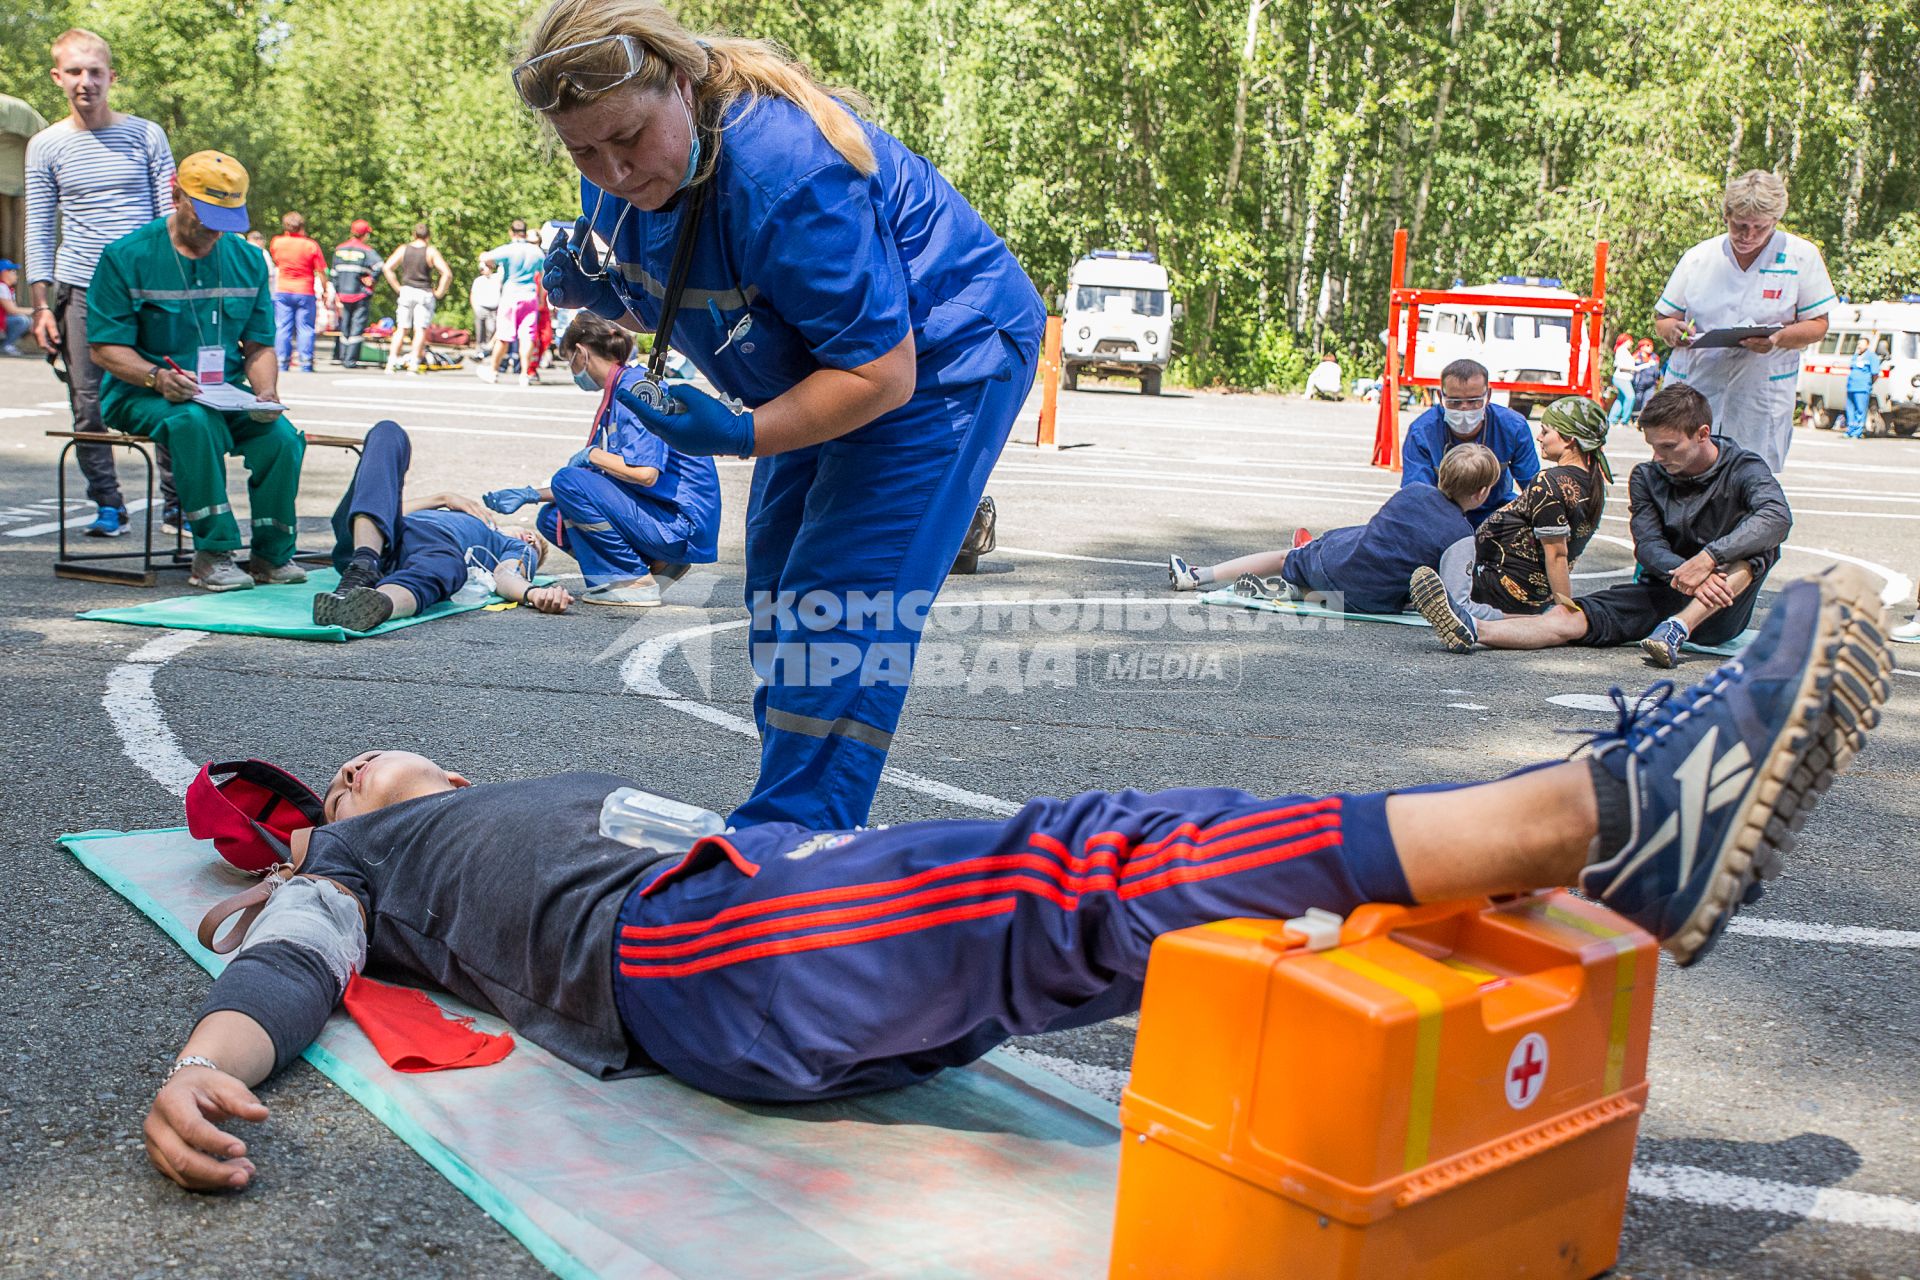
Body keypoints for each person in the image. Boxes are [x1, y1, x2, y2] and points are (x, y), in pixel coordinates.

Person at [137, 564, 1894, 1190]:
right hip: (704, 960)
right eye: (332, 785)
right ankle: (1597, 816)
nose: (350, 778)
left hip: (756, 935)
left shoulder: (487, 804)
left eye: (358, 765)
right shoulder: (370, 855)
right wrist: (208, 1072)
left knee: (1109, 897)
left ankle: (1569, 836)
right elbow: (290, 956)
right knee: (1086, 864)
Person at [522, 0, 1046, 830]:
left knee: (837, 606)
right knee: (777, 591)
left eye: (627, 140)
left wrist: (739, 434)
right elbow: (685, 266)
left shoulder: (786, 170)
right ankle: (795, 824)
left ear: (683, 85)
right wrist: (604, 289)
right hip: (819, 363)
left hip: (942, 355)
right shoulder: (630, 173)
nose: (614, 171)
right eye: (583, 150)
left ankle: (796, 849)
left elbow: (878, 372)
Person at [1412, 386, 1791, 668]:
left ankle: (1679, 628)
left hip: (1721, 608)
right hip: (1663, 589)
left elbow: (1778, 516)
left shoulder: (1743, 468)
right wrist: (1685, 570)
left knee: (1759, 546)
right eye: (1652, 446)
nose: (1657, 457)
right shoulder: (1648, 476)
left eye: (1669, 447)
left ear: (1703, 434)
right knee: (1570, 617)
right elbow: (1647, 545)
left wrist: (1708, 559)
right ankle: (1475, 629)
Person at [87, 151, 307, 592]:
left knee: (282, 438)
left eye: (226, 219)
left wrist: (264, 393)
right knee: (192, 421)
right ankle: (214, 553)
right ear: (176, 197)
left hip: (223, 393)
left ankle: (271, 554)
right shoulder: (126, 256)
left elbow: (260, 343)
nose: (214, 229)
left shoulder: (246, 259)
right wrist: (156, 378)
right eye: (205, 216)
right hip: (141, 392)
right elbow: (105, 349)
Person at [24, 27, 179, 538]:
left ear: (112, 76)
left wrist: (172, 281)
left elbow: (167, 216)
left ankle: (180, 503)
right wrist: (41, 303)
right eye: (74, 71)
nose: (85, 81)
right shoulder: (46, 145)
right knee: (87, 405)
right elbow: (40, 224)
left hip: (147, 290)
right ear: (58, 78)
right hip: (82, 289)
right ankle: (108, 504)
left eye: (95, 71)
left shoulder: (146, 134)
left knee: (168, 392)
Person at [483, 311, 721, 605]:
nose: (573, 370)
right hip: (664, 515)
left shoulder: (636, 390)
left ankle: (631, 579)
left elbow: (645, 473)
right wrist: (531, 494)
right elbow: (601, 481)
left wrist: (592, 455)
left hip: (680, 524)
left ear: (581, 353)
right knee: (553, 517)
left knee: (567, 481)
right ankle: (656, 565)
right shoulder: (622, 389)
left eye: (570, 359)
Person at [1166, 444, 1498, 613]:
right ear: (1482, 493)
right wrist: (1512, 618)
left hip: (1336, 562)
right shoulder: (1461, 536)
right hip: (1367, 600)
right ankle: (1298, 591)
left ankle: (1198, 575)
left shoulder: (1413, 491)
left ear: (1441, 473)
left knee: (1288, 557)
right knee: (1356, 590)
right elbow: (1459, 604)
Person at [1653, 170, 1834, 474]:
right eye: (1739, 225)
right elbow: (1664, 318)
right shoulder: (1701, 257)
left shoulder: (1800, 257)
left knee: (1749, 478)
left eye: (1759, 228)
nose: (1748, 235)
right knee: (1684, 474)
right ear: (1726, 215)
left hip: (1760, 390)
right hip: (1699, 383)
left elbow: (1818, 324)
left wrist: (1777, 338)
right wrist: (1673, 331)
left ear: (1775, 222)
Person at [314, 420, 572, 631]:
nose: (529, 539)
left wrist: (533, 593)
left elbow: (506, 576)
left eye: (534, 544)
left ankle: (371, 605)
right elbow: (381, 504)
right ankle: (363, 566)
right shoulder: (470, 517)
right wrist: (442, 498)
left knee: (448, 564)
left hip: (433, 547)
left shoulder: (512, 544)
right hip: (370, 535)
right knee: (388, 431)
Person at [1410, 396, 1611, 627]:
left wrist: (1564, 613)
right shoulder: (1593, 482)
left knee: (1414, 571)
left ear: (1569, 439)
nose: (1539, 437)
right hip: (1528, 592)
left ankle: (1461, 613)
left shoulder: (1549, 482)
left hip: (1501, 590)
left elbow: (1557, 554)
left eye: (1546, 432)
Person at [1398, 358, 1539, 527]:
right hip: (1440, 514)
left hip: (1496, 511)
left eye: (1473, 401)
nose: (1464, 408)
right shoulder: (1422, 432)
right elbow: (1416, 496)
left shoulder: (1513, 427)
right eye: (1454, 402)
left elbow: (1534, 488)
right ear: (1440, 397)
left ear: (1488, 397)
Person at [477, 218, 546, 384]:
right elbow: (543, 279)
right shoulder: (537, 252)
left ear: (511, 232)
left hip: (511, 295)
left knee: (504, 335)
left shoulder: (508, 250)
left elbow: (485, 257)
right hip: (530, 296)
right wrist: (542, 299)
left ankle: (493, 371)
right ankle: (524, 374)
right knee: (527, 336)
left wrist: (489, 263)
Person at [381, 223, 450, 374]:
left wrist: (397, 287)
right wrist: (439, 292)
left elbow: (387, 267)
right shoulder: (430, 251)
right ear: (428, 237)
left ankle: (391, 362)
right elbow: (446, 273)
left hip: (406, 291)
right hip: (423, 292)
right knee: (420, 329)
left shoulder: (404, 249)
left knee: (401, 328)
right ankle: (414, 363)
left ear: (414, 234)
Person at [268, 212, 331, 373]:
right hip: (305, 290)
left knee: (282, 327)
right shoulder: (310, 245)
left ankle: (282, 362)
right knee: (306, 327)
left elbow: (277, 261)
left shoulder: (277, 242)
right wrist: (324, 290)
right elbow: (321, 271)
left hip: (282, 290)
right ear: (302, 227)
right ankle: (306, 362)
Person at [328, 219, 382, 369]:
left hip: (342, 295)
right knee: (356, 328)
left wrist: (335, 293)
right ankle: (350, 360)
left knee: (344, 326)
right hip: (360, 295)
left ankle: (341, 356)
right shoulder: (366, 251)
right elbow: (380, 265)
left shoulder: (340, 249)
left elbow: (334, 274)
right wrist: (371, 279)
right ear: (365, 234)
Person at [1844, 337, 1881, 439]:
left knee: (1860, 410)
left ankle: (1857, 431)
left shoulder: (1872, 357)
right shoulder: (1855, 356)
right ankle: (1850, 430)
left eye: (1862, 344)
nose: (1859, 346)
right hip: (1851, 387)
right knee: (1850, 409)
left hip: (1862, 388)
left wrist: (1868, 384)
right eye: (1859, 344)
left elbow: (1875, 374)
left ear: (1867, 345)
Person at [0, 260, 32, 354]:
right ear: (4, 272)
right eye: (13, 271)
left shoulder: (7, 288)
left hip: (3, 320)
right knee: (22, 320)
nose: (16, 275)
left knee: (28, 320)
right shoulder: (1, 286)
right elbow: (12, 310)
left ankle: (8, 344)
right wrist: (36, 311)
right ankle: (6, 345)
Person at [1607, 335, 1638, 427]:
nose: (1631, 343)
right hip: (1621, 378)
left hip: (1625, 378)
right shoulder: (1621, 350)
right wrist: (1635, 368)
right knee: (1630, 397)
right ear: (1626, 341)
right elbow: (1621, 366)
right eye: (1630, 341)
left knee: (1620, 399)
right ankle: (1624, 420)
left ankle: (1612, 419)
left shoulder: (1625, 351)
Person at [1630, 337, 1660, 421]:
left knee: (1648, 400)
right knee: (1638, 399)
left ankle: (1643, 418)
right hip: (1639, 382)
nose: (1650, 347)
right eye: (1647, 345)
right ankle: (1634, 417)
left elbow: (1657, 370)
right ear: (1641, 347)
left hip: (1651, 383)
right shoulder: (1636, 356)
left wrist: (1657, 379)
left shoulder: (1655, 357)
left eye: (1651, 345)